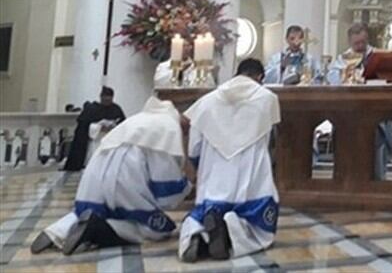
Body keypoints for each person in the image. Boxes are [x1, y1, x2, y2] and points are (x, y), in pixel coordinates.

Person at [31, 96, 190, 255]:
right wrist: (187, 185)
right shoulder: (169, 129)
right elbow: (167, 193)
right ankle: (97, 229)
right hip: (124, 180)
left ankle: (57, 230)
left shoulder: (138, 119)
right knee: (157, 229)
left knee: (94, 210)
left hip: (95, 178)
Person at [180, 58, 280, 262]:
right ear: (260, 77)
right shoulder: (268, 98)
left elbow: (195, 145)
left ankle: (196, 234)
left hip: (214, 168)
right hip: (250, 170)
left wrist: (200, 166)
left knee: (206, 207)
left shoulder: (208, 99)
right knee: (258, 219)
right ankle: (228, 229)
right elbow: (271, 140)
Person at [327, 23, 392, 179]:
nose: (360, 46)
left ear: (367, 39)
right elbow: (333, 79)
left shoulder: (377, 56)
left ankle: (377, 180)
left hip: (374, 109)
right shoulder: (342, 59)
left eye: (363, 42)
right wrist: (347, 74)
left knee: (376, 146)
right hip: (348, 110)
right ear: (350, 42)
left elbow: (387, 76)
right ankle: (346, 178)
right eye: (356, 44)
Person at [63, 87, 126, 172]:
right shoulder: (92, 109)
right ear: (101, 97)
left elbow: (122, 124)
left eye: (109, 98)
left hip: (111, 142)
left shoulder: (116, 109)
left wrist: (113, 127)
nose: (107, 100)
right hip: (96, 142)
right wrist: (99, 127)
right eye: (105, 98)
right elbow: (85, 127)